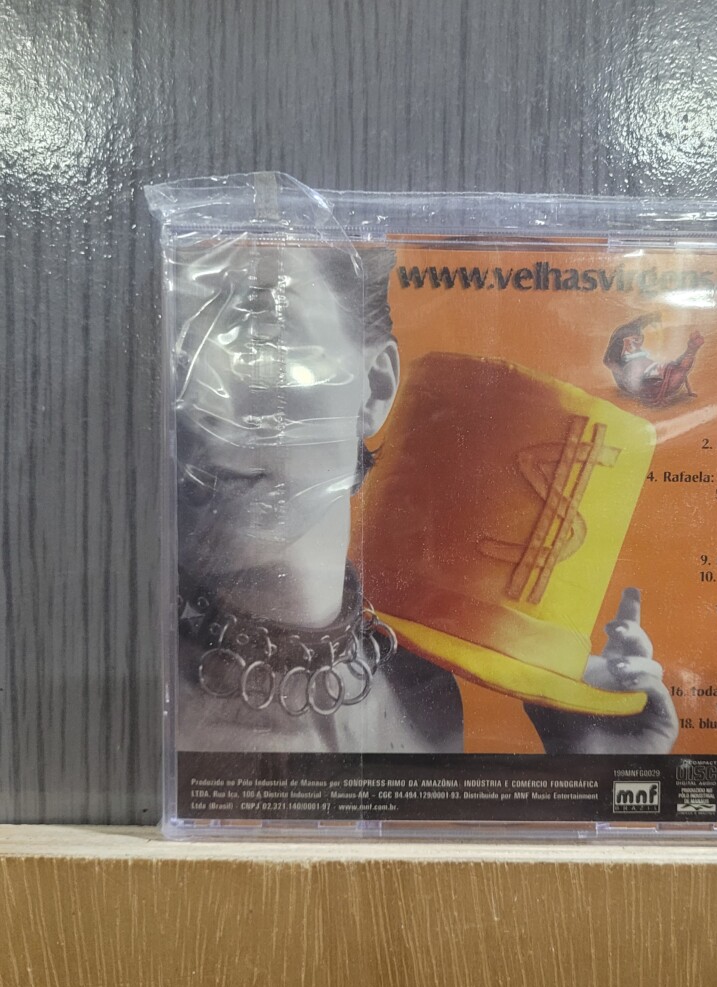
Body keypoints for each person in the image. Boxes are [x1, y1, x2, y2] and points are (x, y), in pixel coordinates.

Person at [174, 243, 677, 755]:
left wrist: (594, 772)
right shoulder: (152, 700)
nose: (194, 402)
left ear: (374, 388)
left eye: (261, 338)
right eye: (174, 355)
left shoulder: (425, 699)